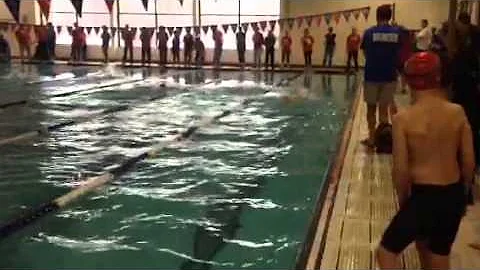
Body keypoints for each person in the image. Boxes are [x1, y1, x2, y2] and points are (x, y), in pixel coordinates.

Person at [376, 51, 475, 270]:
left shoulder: (403, 119)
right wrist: (464, 192)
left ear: (408, 81)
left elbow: (400, 169)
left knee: (386, 252)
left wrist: (404, 201)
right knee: (437, 255)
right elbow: (469, 160)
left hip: (423, 197)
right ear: (438, 77)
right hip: (452, 195)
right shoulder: (457, 112)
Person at [360, 4, 402, 148]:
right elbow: (400, 52)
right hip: (389, 75)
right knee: (384, 109)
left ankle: (372, 138)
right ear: (389, 16)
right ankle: (382, 139)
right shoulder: (397, 33)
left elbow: (364, 52)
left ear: (377, 16)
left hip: (372, 75)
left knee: (371, 109)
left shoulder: (369, 32)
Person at [451, 12, 480, 170]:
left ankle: (470, 156)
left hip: (468, 86)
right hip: (464, 85)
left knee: (470, 122)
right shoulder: (463, 38)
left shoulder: (473, 39)